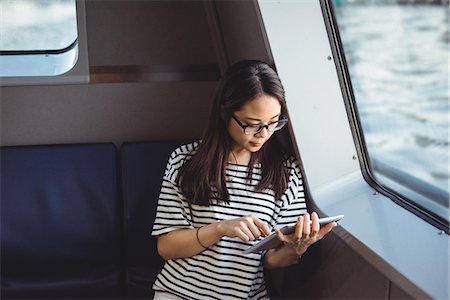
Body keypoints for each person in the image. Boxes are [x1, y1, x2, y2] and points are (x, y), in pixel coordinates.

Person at [151, 60, 337, 300]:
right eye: (251, 125)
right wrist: (220, 228)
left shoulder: (286, 171)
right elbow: (166, 247)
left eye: (273, 123)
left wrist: (296, 248)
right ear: (224, 113)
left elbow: (269, 260)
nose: (263, 135)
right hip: (181, 294)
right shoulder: (185, 161)